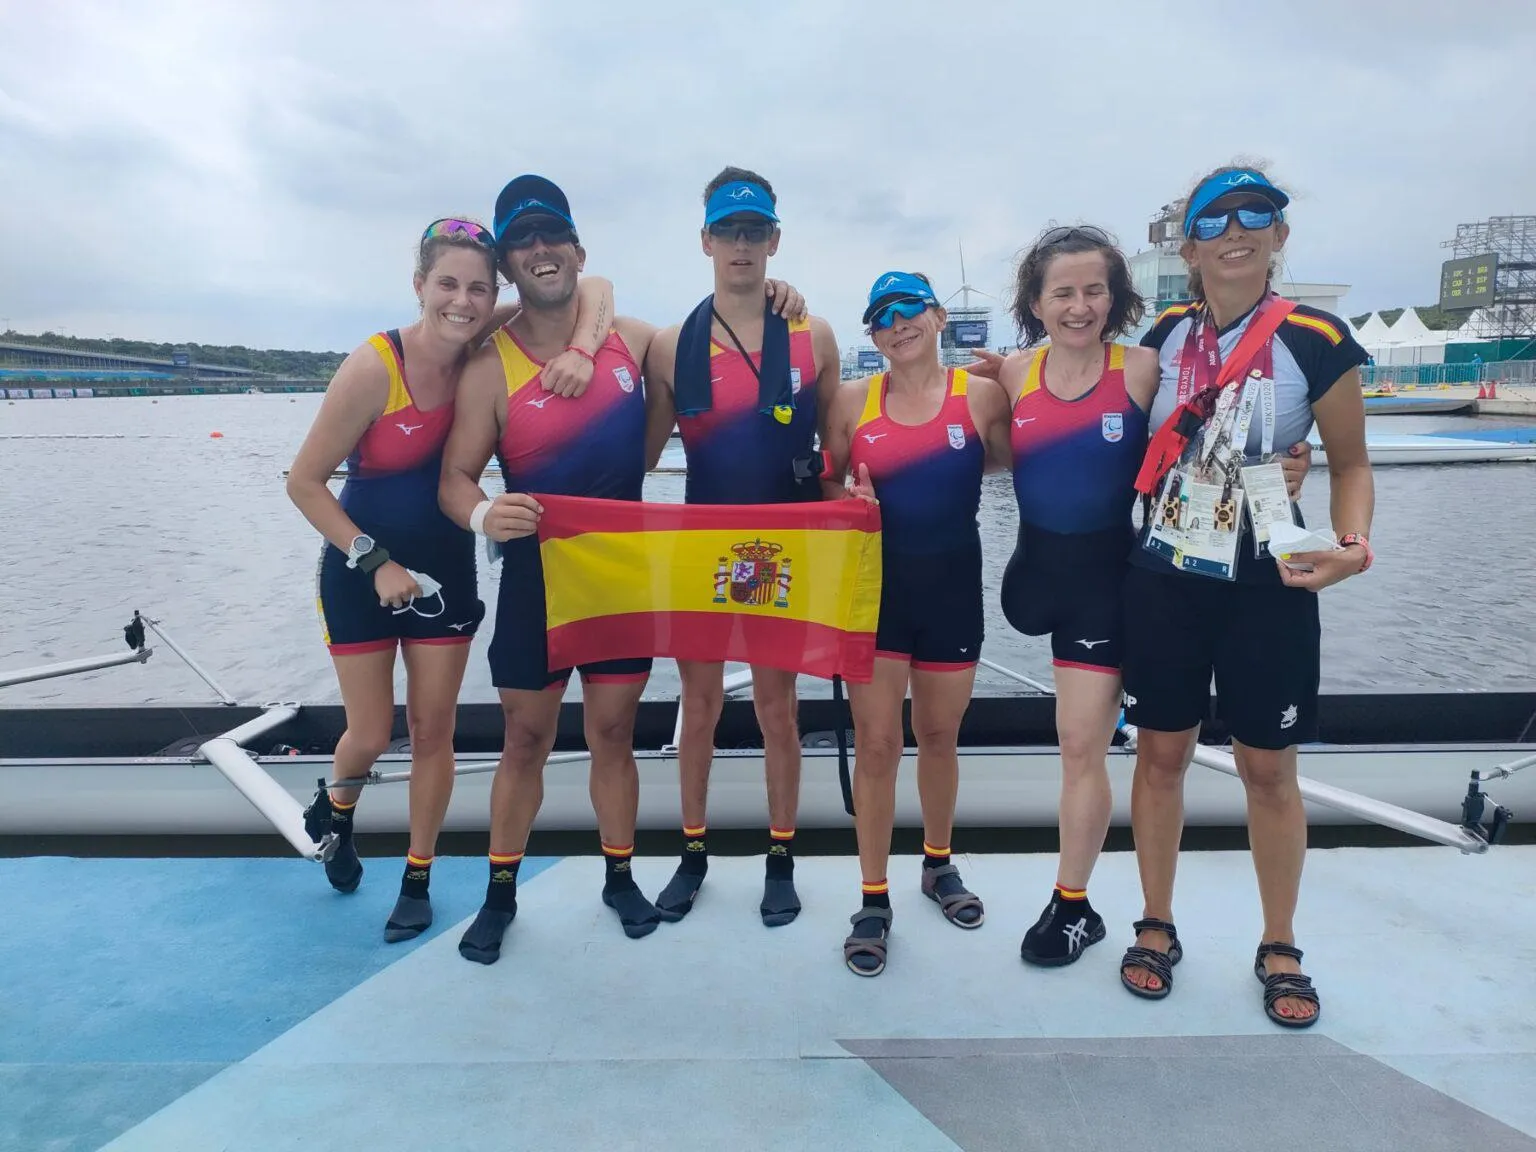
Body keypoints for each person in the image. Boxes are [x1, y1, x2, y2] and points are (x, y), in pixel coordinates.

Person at [438, 175, 807, 964]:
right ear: (508, 262)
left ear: (578, 250)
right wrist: (482, 515)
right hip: (538, 575)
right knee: (525, 739)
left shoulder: (636, 341)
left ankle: (619, 876)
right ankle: (499, 893)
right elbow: (455, 479)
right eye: (523, 241)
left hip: (621, 574)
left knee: (613, 732)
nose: (541, 250)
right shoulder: (488, 366)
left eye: (554, 236)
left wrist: (778, 294)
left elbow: (712, 330)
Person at [286, 216, 613, 942]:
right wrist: (376, 562)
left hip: (445, 569)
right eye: (447, 285)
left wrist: (584, 348)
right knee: (371, 732)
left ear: (492, 294)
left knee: (434, 730)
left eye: (477, 288)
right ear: (419, 286)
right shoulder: (375, 366)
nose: (462, 302)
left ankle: (417, 877)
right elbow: (304, 483)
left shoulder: (479, 342)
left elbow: (593, 288)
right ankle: (339, 813)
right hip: (360, 568)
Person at [1117, 164, 1373, 1029]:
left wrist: (1352, 549)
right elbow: (1109, 428)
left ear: (1279, 235)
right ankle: (1156, 923)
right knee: (1160, 757)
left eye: (1254, 214)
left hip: (1268, 579)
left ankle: (1279, 942)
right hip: (1166, 576)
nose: (1235, 231)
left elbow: (1352, 465)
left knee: (1269, 767)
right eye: (1213, 220)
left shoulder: (1316, 336)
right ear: (1187, 248)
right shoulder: (1161, 334)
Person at [643, 167, 842, 928]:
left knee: (776, 710)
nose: (741, 244)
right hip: (702, 545)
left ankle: (780, 856)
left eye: (754, 231)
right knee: (696, 707)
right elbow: (638, 458)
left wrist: (858, 509)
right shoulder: (670, 346)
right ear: (705, 241)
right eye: (727, 230)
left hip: (781, 548)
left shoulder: (812, 335)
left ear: (774, 241)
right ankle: (692, 853)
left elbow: (839, 452)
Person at [820, 271, 1011, 976]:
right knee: (877, 745)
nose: (896, 324)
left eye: (908, 309)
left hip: (953, 590)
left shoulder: (980, 396)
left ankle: (937, 864)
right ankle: (873, 897)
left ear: (936, 317)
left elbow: (1016, 457)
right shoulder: (851, 402)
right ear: (872, 335)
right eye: (880, 317)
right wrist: (849, 499)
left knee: (938, 736)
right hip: (875, 597)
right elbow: (825, 486)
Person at [993, 226, 1158, 967]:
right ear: (1036, 302)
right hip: (1032, 575)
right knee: (1072, 742)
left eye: (1095, 290)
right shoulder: (1014, 372)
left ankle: (1072, 906)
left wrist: (1292, 459)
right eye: (1062, 292)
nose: (1080, 305)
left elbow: (1214, 433)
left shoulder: (1143, 370)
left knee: (1079, 745)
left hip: (1103, 582)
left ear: (1115, 298)